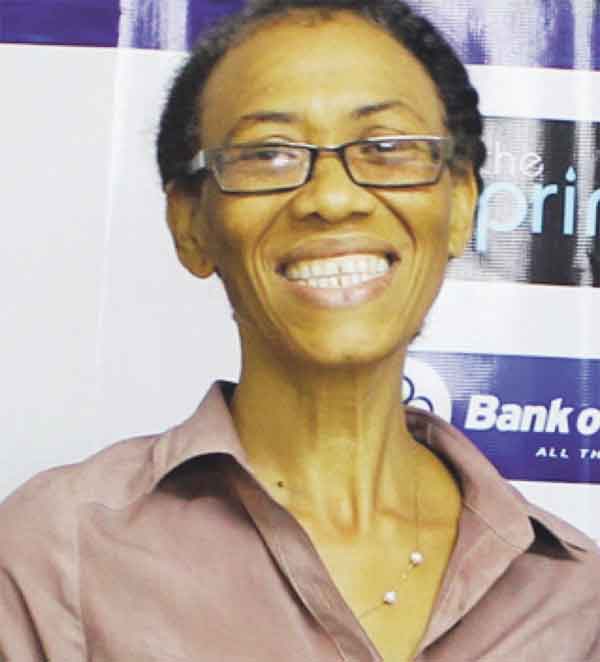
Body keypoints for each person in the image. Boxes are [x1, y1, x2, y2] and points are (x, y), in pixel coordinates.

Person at [1, 1, 599, 660]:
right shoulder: (58, 554)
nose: (332, 198)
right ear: (190, 224)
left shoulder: (573, 598)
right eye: (269, 154)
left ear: (460, 206)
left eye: (385, 147)